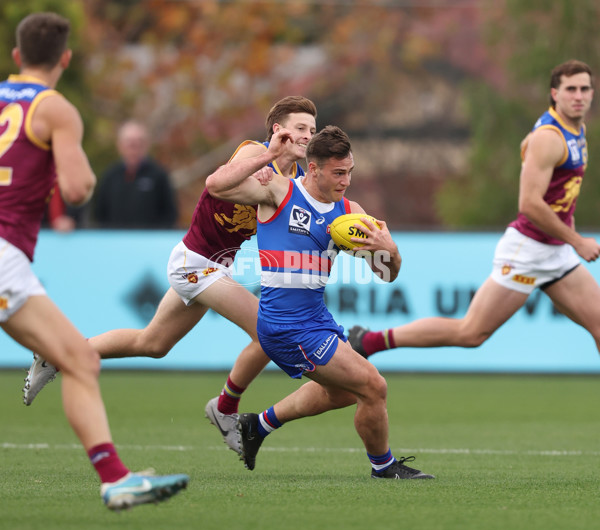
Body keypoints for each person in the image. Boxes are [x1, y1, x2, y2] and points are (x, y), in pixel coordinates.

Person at [22, 96, 318, 454]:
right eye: (300, 128)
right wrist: (269, 156)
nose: (307, 136)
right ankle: (225, 409)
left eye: (312, 130)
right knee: (267, 333)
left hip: (212, 266)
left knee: (152, 344)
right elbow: (216, 184)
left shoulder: (296, 181)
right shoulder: (252, 153)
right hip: (195, 263)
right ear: (277, 130)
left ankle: (60, 353)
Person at [0, 12, 188, 510]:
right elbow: (80, 188)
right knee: (79, 360)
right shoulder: (56, 108)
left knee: (76, 357)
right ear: (65, 58)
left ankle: (115, 477)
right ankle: (115, 480)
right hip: (4, 255)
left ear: (17, 57)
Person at [206, 125, 434, 480]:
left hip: (316, 320)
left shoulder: (350, 212)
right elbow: (215, 186)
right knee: (373, 386)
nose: (346, 181)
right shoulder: (279, 190)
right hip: (284, 324)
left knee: (344, 393)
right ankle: (384, 467)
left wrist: (390, 251)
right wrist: (266, 157)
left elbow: (387, 275)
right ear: (313, 169)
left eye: (350, 172)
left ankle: (258, 427)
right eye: (338, 173)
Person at [348, 59, 600, 363]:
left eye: (585, 88)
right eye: (570, 89)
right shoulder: (550, 137)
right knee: (471, 333)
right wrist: (577, 240)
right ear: (554, 94)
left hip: (555, 250)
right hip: (529, 249)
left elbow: (558, 191)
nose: (579, 95)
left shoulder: (576, 129)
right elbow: (530, 204)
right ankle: (370, 341)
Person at [93, 120, 178, 228]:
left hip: (150, 241)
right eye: (129, 143)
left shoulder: (159, 175)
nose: (134, 147)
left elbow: (170, 214)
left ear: (146, 145)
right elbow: (99, 214)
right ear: (120, 145)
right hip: (115, 241)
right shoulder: (110, 176)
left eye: (138, 142)